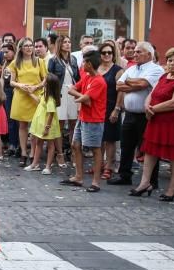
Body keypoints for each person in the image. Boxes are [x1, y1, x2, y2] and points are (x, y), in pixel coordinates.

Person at [131, 48, 174, 200]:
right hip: (156, 120)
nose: (172, 64)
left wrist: (153, 109)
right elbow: (152, 94)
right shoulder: (164, 76)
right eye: (169, 60)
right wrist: (147, 105)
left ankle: (173, 189)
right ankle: (145, 183)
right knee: (150, 151)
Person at [110, 42, 164, 187]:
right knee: (126, 146)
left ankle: (152, 180)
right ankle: (124, 175)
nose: (135, 54)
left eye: (139, 52)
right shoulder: (132, 68)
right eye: (134, 52)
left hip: (145, 115)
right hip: (129, 114)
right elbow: (118, 85)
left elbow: (143, 85)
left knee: (148, 148)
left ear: (149, 54)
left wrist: (129, 83)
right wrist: (133, 83)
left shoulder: (156, 69)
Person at [62, 51, 107, 192]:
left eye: (84, 62)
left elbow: (85, 98)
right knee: (76, 145)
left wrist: (81, 97)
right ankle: (78, 177)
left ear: (89, 64)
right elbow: (74, 91)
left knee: (95, 149)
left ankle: (96, 182)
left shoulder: (99, 81)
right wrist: (81, 97)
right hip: (83, 117)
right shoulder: (87, 77)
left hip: (94, 119)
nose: (82, 65)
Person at [8, 38, 46, 167]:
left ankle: (33, 153)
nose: (29, 48)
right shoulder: (15, 63)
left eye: (31, 46)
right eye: (26, 46)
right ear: (21, 48)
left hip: (35, 95)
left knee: (35, 127)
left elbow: (45, 79)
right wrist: (20, 85)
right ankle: (24, 152)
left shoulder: (39, 62)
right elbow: (11, 81)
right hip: (21, 95)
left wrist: (36, 87)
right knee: (22, 126)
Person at [48, 35, 80, 165]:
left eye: (69, 42)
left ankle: (74, 152)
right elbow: (50, 79)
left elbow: (77, 77)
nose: (68, 44)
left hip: (72, 93)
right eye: (65, 42)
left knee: (74, 124)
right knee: (59, 125)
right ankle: (60, 153)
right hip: (59, 93)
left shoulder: (73, 59)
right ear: (60, 44)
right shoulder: (54, 60)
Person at [98, 41, 123, 180]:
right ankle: (99, 164)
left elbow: (121, 92)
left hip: (111, 106)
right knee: (99, 138)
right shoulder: (96, 68)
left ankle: (109, 167)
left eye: (109, 52)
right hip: (97, 108)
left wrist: (117, 109)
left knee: (110, 139)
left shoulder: (118, 70)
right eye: (104, 52)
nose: (107, 55)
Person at [26, 73, 61, 173]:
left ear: (48, 84)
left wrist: (47, 127)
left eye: (44, 80)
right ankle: (34, 164)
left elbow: (51, 113)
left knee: (50, 145)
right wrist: (30, 94)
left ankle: (48, 167)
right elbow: (39, 101)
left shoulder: (50, 98)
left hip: (47, 125)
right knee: (39, 143)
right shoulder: (45, 93)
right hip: (41, 123)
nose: (42, 82)